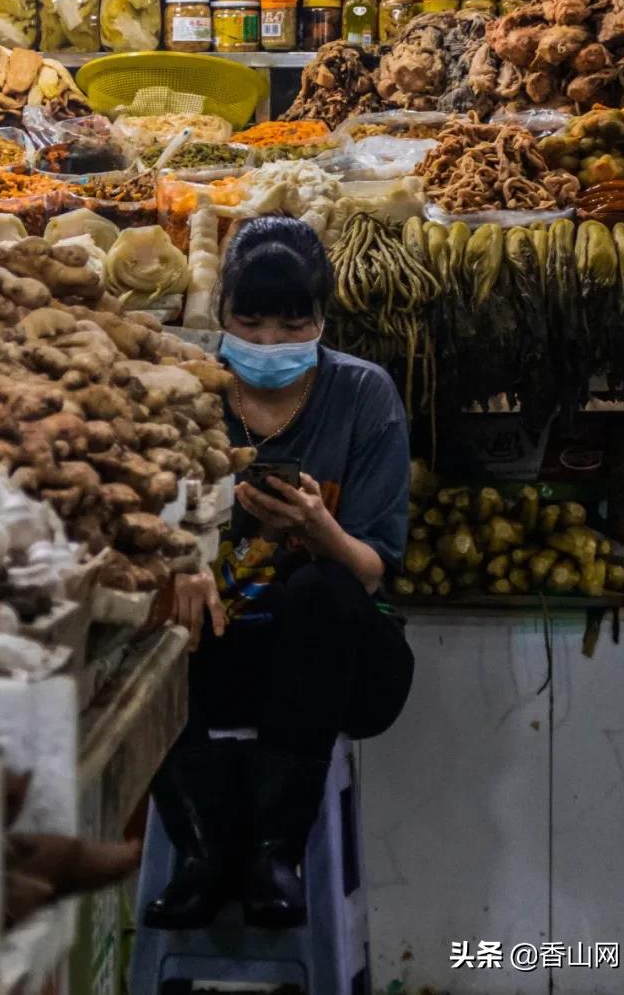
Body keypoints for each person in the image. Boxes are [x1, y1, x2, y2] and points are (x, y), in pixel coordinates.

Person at [145, 214, 415, 931]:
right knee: (156, 601)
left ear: (322, 319)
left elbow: (369, 574)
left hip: (340, 664)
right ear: (221, 313)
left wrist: (316, 527)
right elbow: (137, 525)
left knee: (322, 590)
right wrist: (185, 558)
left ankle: (274, 852)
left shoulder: (364, 397)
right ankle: (203, 852)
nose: (268, 342)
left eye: (292, 325)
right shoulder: (186, 388)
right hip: (221, 652)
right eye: (251, 321)